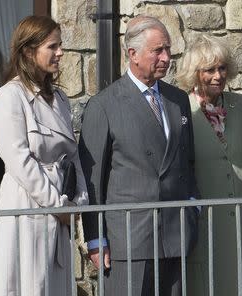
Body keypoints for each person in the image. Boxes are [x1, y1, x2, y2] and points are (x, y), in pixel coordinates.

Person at [78, 15, 199, 296]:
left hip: (175, 232)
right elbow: (92, 179)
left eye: (168, 49)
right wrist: (96, 239)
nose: (166, 57)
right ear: (132, 54)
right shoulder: (104, 105)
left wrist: (193, 205)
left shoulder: (178, 99)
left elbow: (187, 161)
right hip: (129, 240)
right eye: (158, 50)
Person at [0, 15, 89, 296]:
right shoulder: (9, 97)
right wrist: (57, 206)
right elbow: (19, 161)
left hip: (60, 212)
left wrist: (78, 203)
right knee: (28, 286)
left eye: (60, 46)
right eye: (52, 46)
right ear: (28, 51)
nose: (60, 53)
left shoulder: (59, 99)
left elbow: (73, 156)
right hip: (26, 208)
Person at [175, 34, 242, 296]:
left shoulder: (240, 104)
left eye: (222, 68)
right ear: (194, 73)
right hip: (205, 227)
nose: (218, 76)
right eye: (209, 70)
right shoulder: (182, 110)